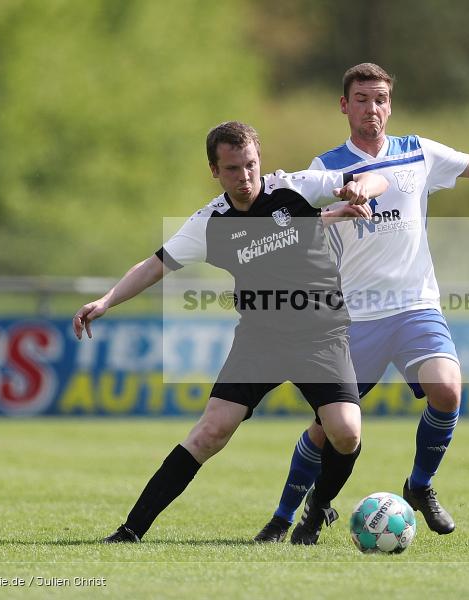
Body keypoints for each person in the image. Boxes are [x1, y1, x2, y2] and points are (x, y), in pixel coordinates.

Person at [254, 63, 469, 542]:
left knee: (448, 389)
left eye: (381, 99)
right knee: (327, 428)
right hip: (355, 316)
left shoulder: (417, 152)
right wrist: (335, 205)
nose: (373, 109)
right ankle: (290, 515)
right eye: (362, 99)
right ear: (344, 106)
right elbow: (303, 226)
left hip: (416, 306)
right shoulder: (325, 166)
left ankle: (420, 484)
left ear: (390, 104)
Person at [75, 121, 387, 545]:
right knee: (210, 432)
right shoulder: (211, 222)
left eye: (251, 165)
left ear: (261, 160)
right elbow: (154, 265)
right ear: (215, 171)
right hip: (260, 340)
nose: (245, 176)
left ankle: (316, 509)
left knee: (347, 432)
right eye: (233, 168)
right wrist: (107, 300)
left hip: (321, 334)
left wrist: (362, 189)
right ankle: (131, 530)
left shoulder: (294, 189)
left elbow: (376, 176)